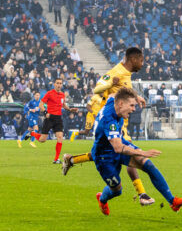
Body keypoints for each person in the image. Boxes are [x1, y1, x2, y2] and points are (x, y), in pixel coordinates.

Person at [62, 48, 154, 206]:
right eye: (141, 60)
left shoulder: (126, 73)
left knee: (101, 153)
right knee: (129, 155)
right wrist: (111, 83)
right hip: (109, 121)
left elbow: (123, 90)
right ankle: (142, 194)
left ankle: (71, 159)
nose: (143, 63)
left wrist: (136, 96)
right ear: (133, 59)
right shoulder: (115, 72)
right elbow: (97, 89)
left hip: (118, 121)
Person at [91, 87, 182, 215]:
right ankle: (102, 199)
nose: (133, 109)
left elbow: (116, 93)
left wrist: (136, 97)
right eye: (131, 105)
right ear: (121, 104)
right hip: (104, 157)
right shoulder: (109, 121)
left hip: (118, 142)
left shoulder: (113, 101)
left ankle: (173, 202)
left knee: (147, 164)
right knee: (116, 190)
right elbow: (118, 148)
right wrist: (143, 152)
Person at [25, 78, 78, 163]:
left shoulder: (62, 95)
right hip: (49, 118)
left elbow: (63, 105)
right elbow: (41, 104)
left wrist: (70, 109)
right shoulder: (49, 93)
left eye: (60, 83)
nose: (59, 85)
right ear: (54, 84)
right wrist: (45, 112)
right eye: (57, 83)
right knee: (42, 140)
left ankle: (56, 159)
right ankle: (32, 133)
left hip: (58, 118)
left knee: (60, 137)